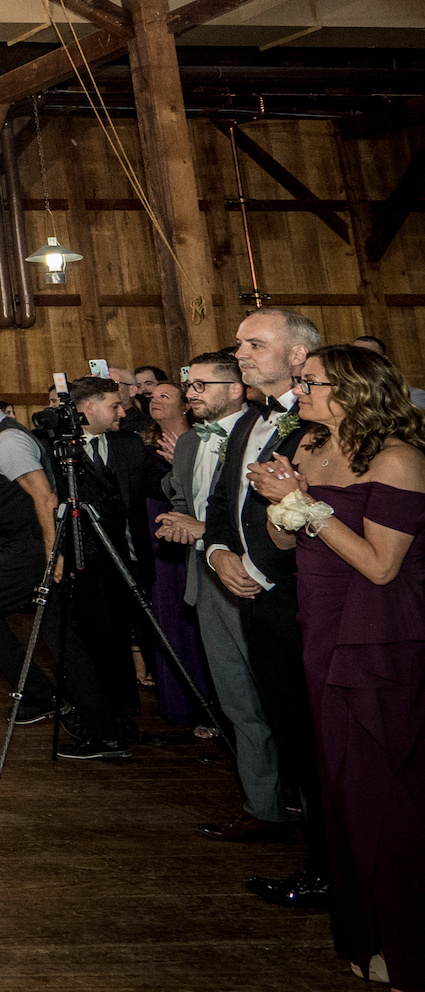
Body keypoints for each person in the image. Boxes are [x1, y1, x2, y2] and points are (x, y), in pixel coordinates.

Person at [248, 345, 425, 989]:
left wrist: (303, 504)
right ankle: (365, 932)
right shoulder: (308, 444)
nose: (299, 392)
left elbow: (380, 566)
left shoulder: (398, 459)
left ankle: (409, 943)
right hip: (320, 624)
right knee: (343, 789)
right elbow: (283, 538)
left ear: (353, 391)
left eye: (311, 382)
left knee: (387, 788)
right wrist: (279, 498)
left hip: (381, 634)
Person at [0, 381, 130, 759]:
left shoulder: (9, 441)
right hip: (27, 546)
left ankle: (41, 697)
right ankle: (105, 732)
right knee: (62, 637)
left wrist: (51, 554)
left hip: (32, 547)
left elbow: (45, 497)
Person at [213, 307, 328, 907]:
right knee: (292, 734)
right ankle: (321, 861)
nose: (241, 354)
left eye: (255, 344)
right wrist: (218, 554)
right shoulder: (245, 422)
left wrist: (267, 569)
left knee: (323, 742)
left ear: (298, 356)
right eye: (239, 345)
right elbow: (221, 504)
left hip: (308, 601)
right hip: (255, 602)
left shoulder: (322, 425)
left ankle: (335, 868)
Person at [156, 353, 288, 841]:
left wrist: (203, 529)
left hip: (264, 583)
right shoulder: (190, 442)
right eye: (188, 384)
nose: (190, 393)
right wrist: (183, 526)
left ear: (235, 389)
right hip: (208, 581)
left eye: (201, 385)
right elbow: (185, 501)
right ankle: (263, 808)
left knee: (282, 700)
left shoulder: (269, 431)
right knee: (238, 702)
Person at [62, 376, 166, 728]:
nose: (122, 412)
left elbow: (157, 486)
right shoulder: (57, 448)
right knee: (94, 638)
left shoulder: (129, 444)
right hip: (83, 562)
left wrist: (183, 465)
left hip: (128, 558)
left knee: (128, 635)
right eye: (114, 405)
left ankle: (125, 711)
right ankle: (96, 712)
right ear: (89, 407)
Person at [138, 378, 213, 724]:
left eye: (165, 396)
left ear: (185, 406)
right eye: (153, 396)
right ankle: (179, 703)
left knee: (196, 617)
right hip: (159, 535)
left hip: (194, 531)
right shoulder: (145, 443)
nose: (155, 400)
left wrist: (180, 463)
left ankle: (209, 707)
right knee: (168, 614)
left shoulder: (202, 440)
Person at [352, 334, 425, 409]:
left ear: (384, 360)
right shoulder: (347, 394)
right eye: (354, 354)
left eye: (369, 355)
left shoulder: (412, 397)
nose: (361, 360)